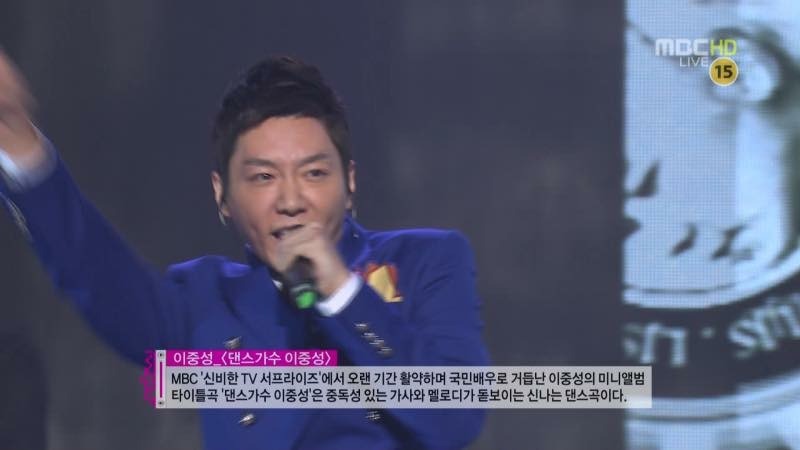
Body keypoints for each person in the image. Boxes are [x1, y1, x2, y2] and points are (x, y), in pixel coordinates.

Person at [0, 52, 489, 449]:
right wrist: (22, 151)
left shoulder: (426, 261)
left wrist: (342, 293)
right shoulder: (207, 299)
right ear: (223, 197)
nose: (292, 199)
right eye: (263, 177)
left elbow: (455, 417)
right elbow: (97, 274)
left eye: (315, 173)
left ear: (350, 182)